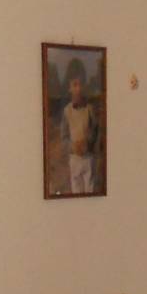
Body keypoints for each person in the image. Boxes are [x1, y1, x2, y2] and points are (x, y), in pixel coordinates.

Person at [56, 58, 98, 194]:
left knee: (90, 191)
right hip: (74, 159)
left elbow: (95, 130)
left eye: (80, 85)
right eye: (74, 85)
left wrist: (88, 142)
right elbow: (64, 137)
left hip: (88, 158)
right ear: (69, 88)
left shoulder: (89, 109)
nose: (78, 89)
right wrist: (73, 146)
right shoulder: (67, 111)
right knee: (76, 192)